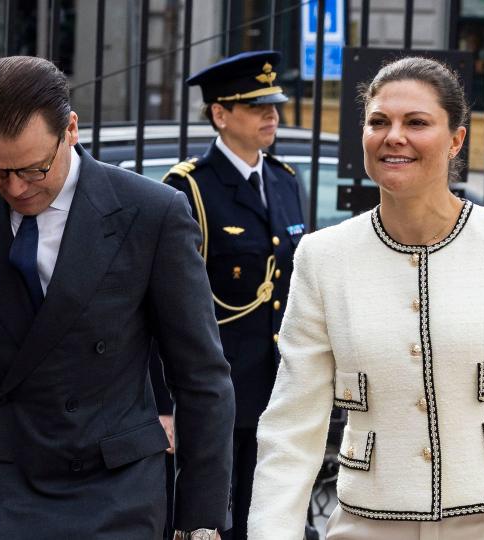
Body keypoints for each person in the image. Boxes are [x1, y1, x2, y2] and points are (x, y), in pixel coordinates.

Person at [0, 56, 234, 540]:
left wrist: (201, 522)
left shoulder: (151, 212)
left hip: (109, 497)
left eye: (34, 169)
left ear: (71, 130)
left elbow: (201, 375)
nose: (15, 187)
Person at [247, 56, 484, 539]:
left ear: (456, 138)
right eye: (379, 121)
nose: (393, 136)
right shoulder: (324, 257)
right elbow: (291, 428)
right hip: (367, 525)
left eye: (416, 122)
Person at [152, 50, 305, 540]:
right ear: (220, 114)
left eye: (274, 105)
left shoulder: (284, 181)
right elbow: (163, 306)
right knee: (209, 520)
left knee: (268, 517)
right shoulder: (189, 188)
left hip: (276, 387)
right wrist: (163, 401)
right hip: (215, 388)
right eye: (256, 106)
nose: (272, 116)